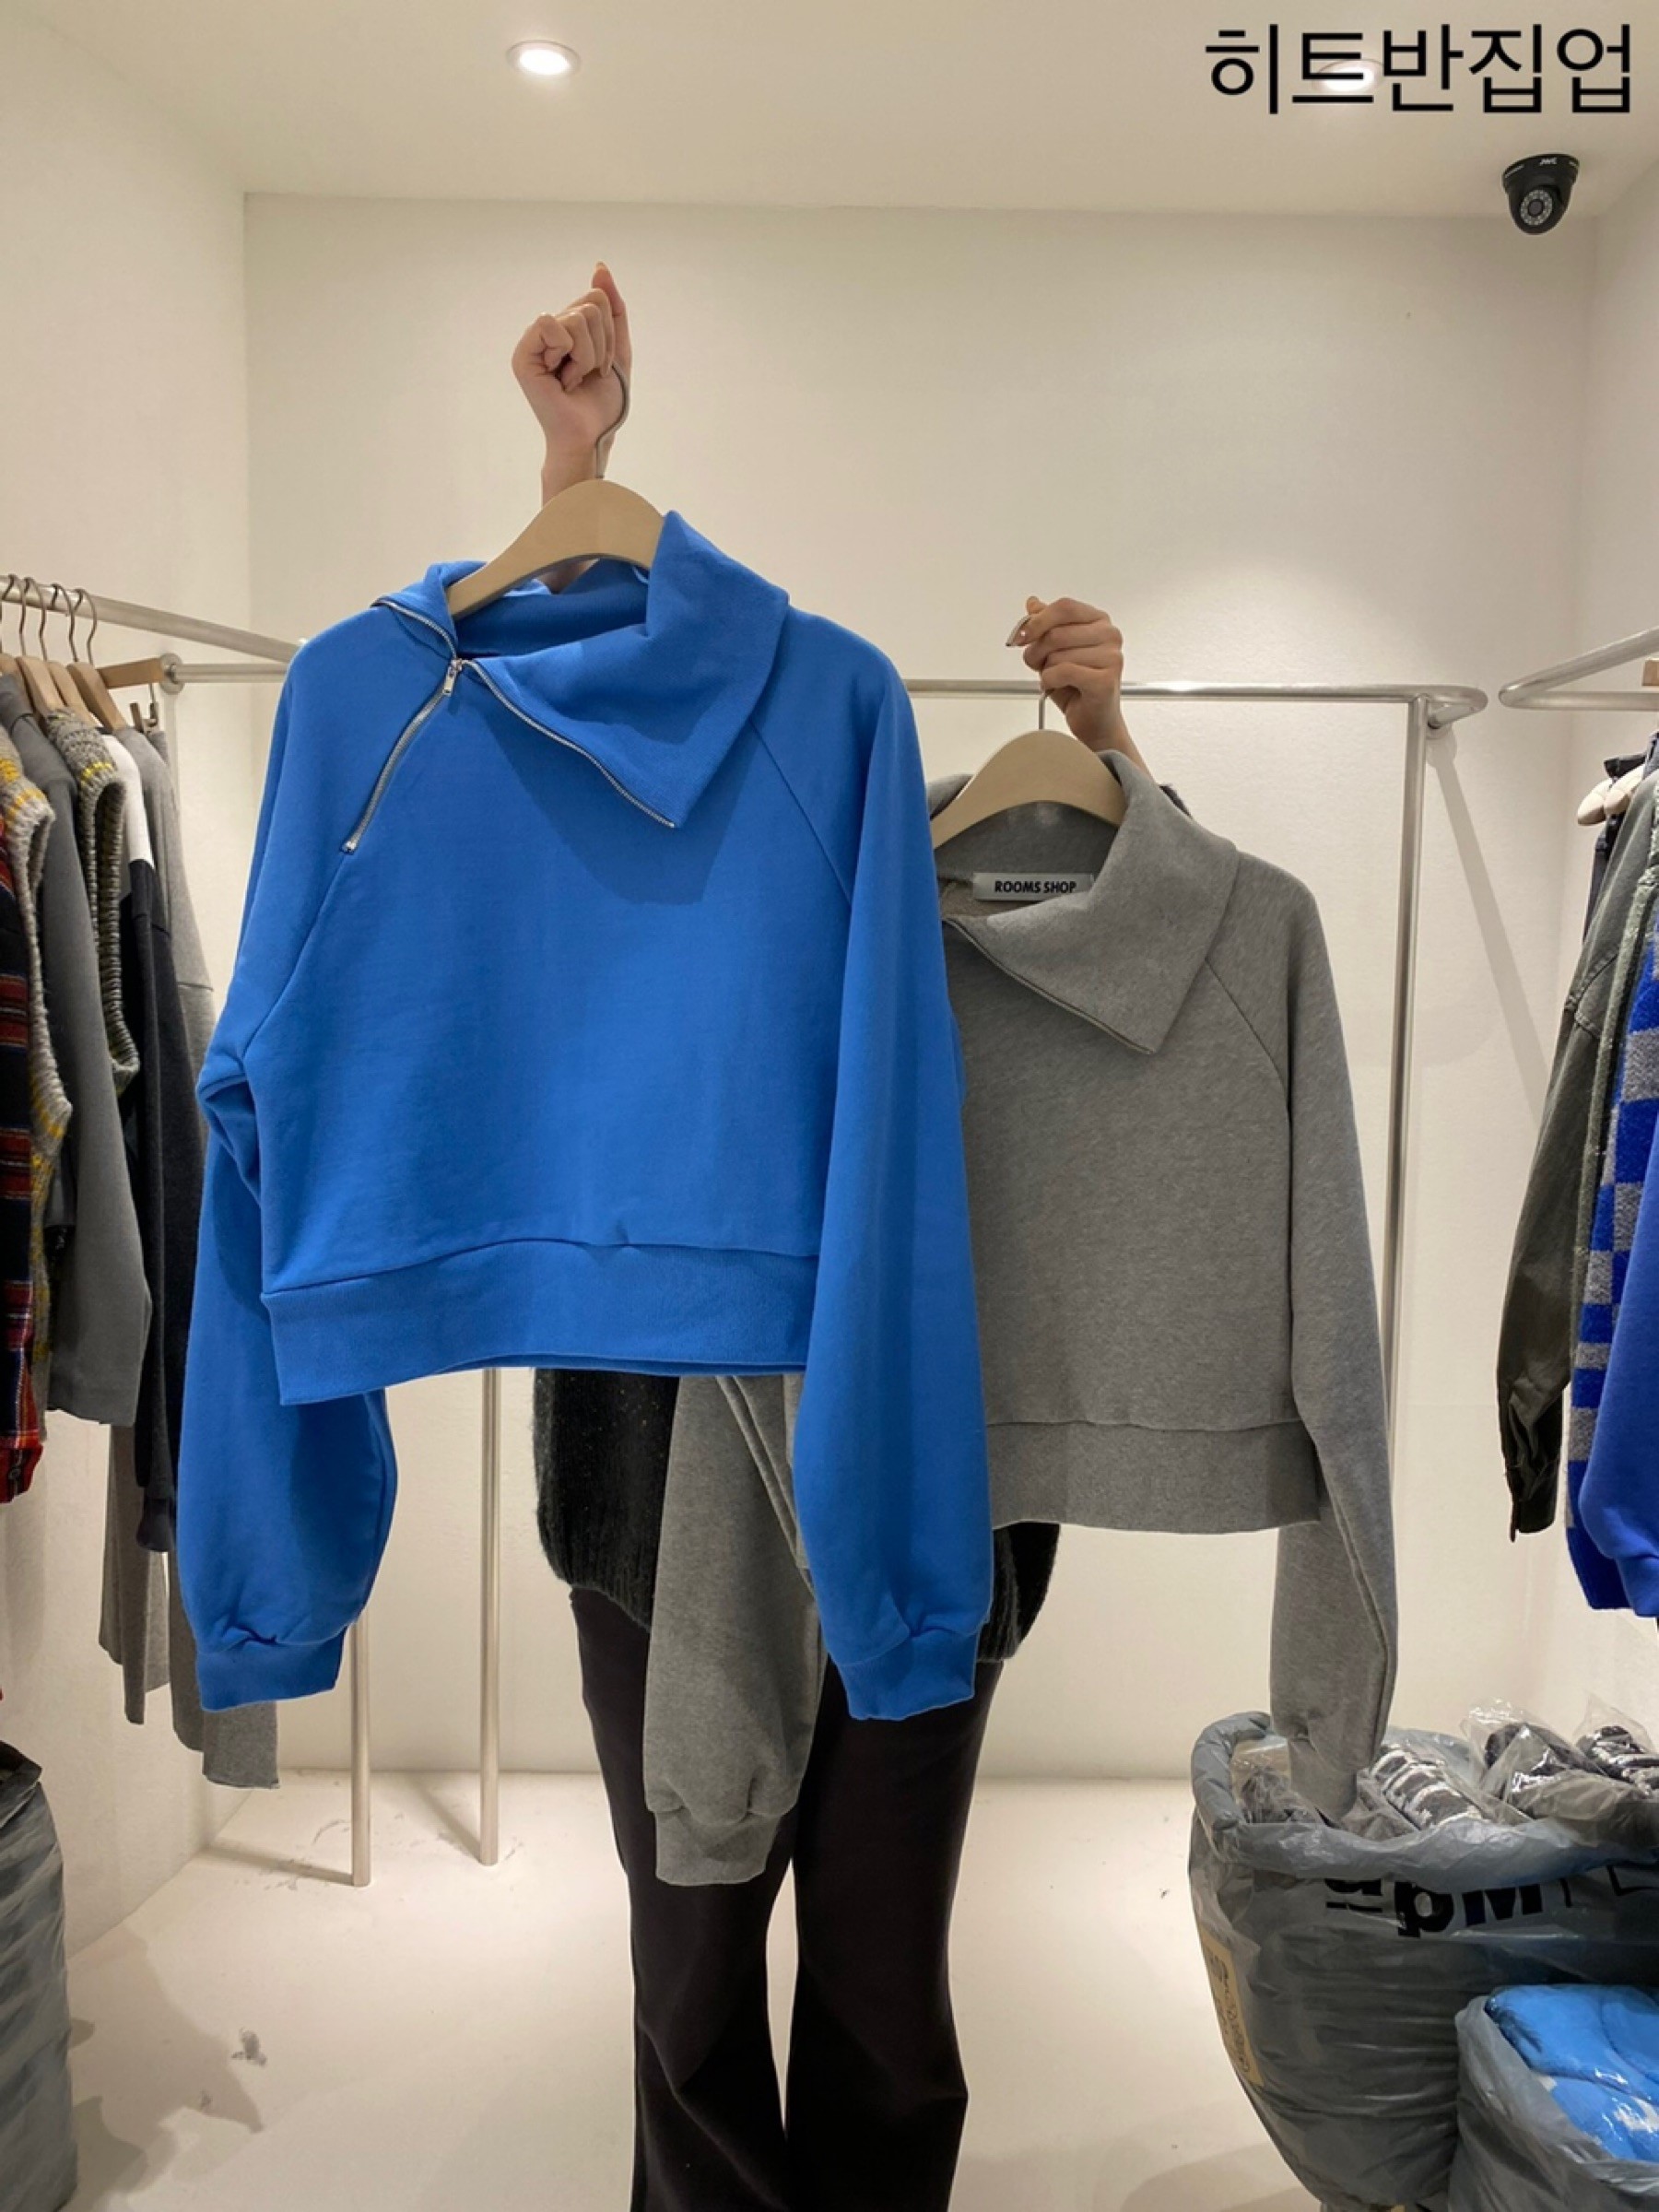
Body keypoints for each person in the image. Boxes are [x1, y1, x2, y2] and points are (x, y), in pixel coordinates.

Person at [515, 265, 1136, 2212]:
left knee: (878, 1971)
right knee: (689, 1958)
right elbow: (565, 742)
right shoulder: (626, 868)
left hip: (931, 1483)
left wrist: (1106, 745)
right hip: (646, 1469)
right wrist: (578, 473)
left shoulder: (949, 886)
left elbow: (1122, 944)